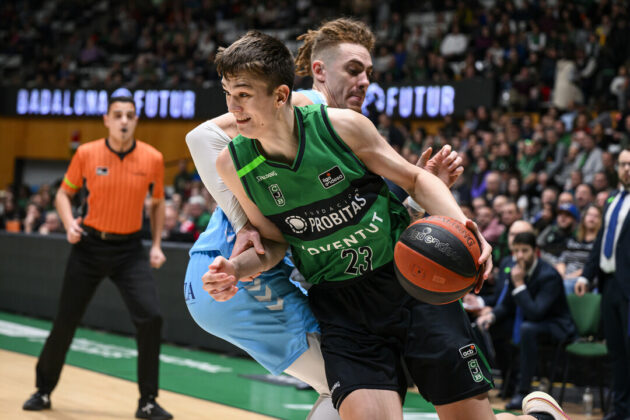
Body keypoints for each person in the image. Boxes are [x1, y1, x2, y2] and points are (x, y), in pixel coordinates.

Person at [207, 30, 568, 420]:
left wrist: (463, 225)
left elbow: (415, 179)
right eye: (228, 93)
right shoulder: (233, 164)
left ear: (280, 95)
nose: (232, 106)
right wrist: (236, 269)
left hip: (409, 283)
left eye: (243, 94)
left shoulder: (340, 127)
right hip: (341, 305)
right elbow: (276, 243)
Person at [184, 18, 464, 420]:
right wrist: (242, 221)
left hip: (272, 268)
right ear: (318, 72)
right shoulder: (300, 107)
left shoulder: (339, 130)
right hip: (240, 269)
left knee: (361, 386)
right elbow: (201, 139)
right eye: (354, 70)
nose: (365, 81)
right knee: (347, 382)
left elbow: (354, 222)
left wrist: (426, 201)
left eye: (369, 72)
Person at [22, 95, 172, 420]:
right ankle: (43, 390)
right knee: (66, 321)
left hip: (130, 251)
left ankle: (147, 401)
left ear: (136, 120)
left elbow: (158, 202)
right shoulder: (87, 153)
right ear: (106, 119)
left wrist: (157, 244)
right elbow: (64, 193)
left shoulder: (153, 158)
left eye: (130, 115)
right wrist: (68, 223)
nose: (124, 121)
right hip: (89, 247)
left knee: (151, 317)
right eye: (117, 115)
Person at [477, 232, 576, 411]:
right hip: (531, 324)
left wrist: (520, 283)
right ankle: (505, 383)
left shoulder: (549, 275)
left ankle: (523, 391)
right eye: (516, 251)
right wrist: (490, 316)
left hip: (557, 326)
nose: (520, 256)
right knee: (494, 325)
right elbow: (506, 304)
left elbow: (536, 313)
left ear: (535, 251)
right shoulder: (516, 270)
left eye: (525, 250)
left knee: (527, 329)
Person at [576, 147, 630, 420]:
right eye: (622, 164)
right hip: (609, 284)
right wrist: (587, 274)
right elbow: (600, 242)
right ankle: (620, 411)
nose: (626, 169)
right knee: (617, 351)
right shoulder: (611, 200)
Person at [556, 204, 601, 295]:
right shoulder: (574, 239)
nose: (592, 218)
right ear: (584, 218)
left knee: (566, 285)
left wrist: (569, 277)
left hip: (585, 278)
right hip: (566, 276)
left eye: (596, 216)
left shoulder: (599, 242)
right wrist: (562, 275)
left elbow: (592, 265)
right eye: (589, 215)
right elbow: (561, 260)